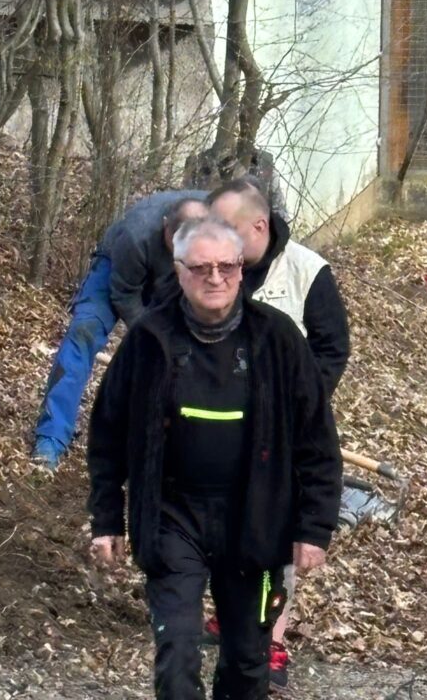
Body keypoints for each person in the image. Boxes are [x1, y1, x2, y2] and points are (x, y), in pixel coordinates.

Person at [87, 217, 342, 700]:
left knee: (248, 662)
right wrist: (106, 519)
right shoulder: (148, 340)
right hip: (172, 516)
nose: (215, 278)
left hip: (255, 520)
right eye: (201, 268)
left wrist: (314, 528)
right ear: (179, 270)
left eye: (227, 266)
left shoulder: (277, 339)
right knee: (178, 651)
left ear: (242, 269)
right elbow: (107, 433)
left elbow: (317, 439)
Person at [206, 177, 349, 688]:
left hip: (284, 431)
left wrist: (296, 404)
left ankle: (272, 640)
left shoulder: (309, 272)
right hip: (218, 425)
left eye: (227, 230)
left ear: (259, 226)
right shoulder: (212, 271)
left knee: (274, 534)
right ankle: (231, 611)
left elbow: (332, 350)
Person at [32, 191, 210, 470]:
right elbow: (125, 294)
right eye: (175, 246)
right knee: (84, 332)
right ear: (166, 226)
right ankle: (51, 436)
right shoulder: (137, 234)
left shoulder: (223, 219)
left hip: (176, 280)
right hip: (117, 263)